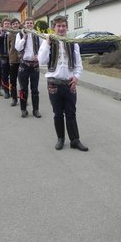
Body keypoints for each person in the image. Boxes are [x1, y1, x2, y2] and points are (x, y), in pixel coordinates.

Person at [38, 15, 88, 151]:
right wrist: (47, 43)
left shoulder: (73, 42)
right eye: (58, 26)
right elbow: (41, 61)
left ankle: (75, 140)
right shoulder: (48, 41)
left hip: (69, 83)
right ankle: (60, 139)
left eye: (63, 26)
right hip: (53, 83)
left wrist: (76, 77)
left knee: (71, 113)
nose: (61, 28)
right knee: (58, 113)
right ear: (53, 28)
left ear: (67, 27)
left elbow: (79, 64)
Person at [15, 17, 43, 118]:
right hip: (24, 65)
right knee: (23, 89)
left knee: (35, 89)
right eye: (27, 23)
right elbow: (17, 47)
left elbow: (43, 48)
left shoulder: (38, 35)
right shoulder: (19, 34)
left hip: (35, 65)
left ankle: (36, 110)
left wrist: (38, 56)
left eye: (31, 23)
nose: (29, 25)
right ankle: (23, 109)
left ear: (33, 24)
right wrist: (24, 38)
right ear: (24, 24)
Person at [0, 18, 11, 99]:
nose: (7, 25)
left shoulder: (13, 32)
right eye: (5, 24)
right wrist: (1, 35)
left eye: (8, 23)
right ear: (3, 25)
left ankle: (13, 91)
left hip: (12, 57)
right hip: (3, 57)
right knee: (4, 75)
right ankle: (6, 91)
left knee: (13, 75)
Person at [7, 18, 21, 106]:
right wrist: (11, 57)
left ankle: (23, 98)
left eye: (17, 23)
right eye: (14, 24)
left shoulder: (23, 33)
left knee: (23, 82)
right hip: (13, 60)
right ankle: (14, 98)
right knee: (12, 81)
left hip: (22, 60)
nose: (16, 25)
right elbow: (8, 47)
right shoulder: (10, 35)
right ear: (11, 25)